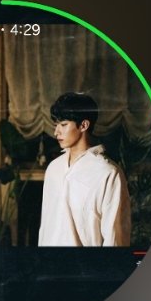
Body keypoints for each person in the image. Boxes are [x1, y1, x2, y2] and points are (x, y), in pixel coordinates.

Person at [38, 92, 131, 246]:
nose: (56, 132)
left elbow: (115, 238)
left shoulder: (108, 173)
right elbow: (46, 227)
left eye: (63, 125)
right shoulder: (53, 169)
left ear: (84, 125)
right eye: (56, 125)